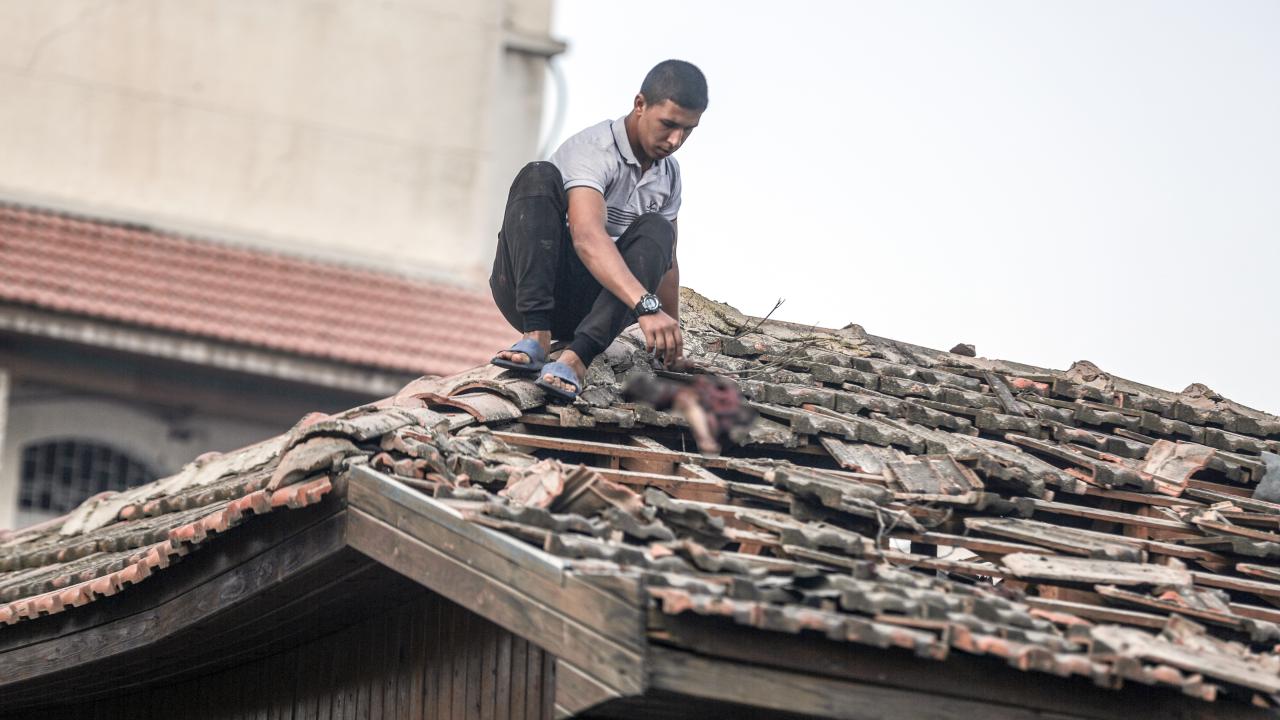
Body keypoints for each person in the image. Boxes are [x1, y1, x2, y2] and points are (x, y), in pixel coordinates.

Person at [488, 59, 707, 401]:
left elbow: (667, 263)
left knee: (659, 230)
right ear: (640, 104)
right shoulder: (594, 149)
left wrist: (671, 344)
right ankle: (536, 337)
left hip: (594, 311)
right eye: (668, 124)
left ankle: (576, 359)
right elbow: (587, 237)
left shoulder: (669, 175)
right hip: (529, 290)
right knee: (538, 174)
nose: (675, 140)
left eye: (688, 130)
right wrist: (647, 307)